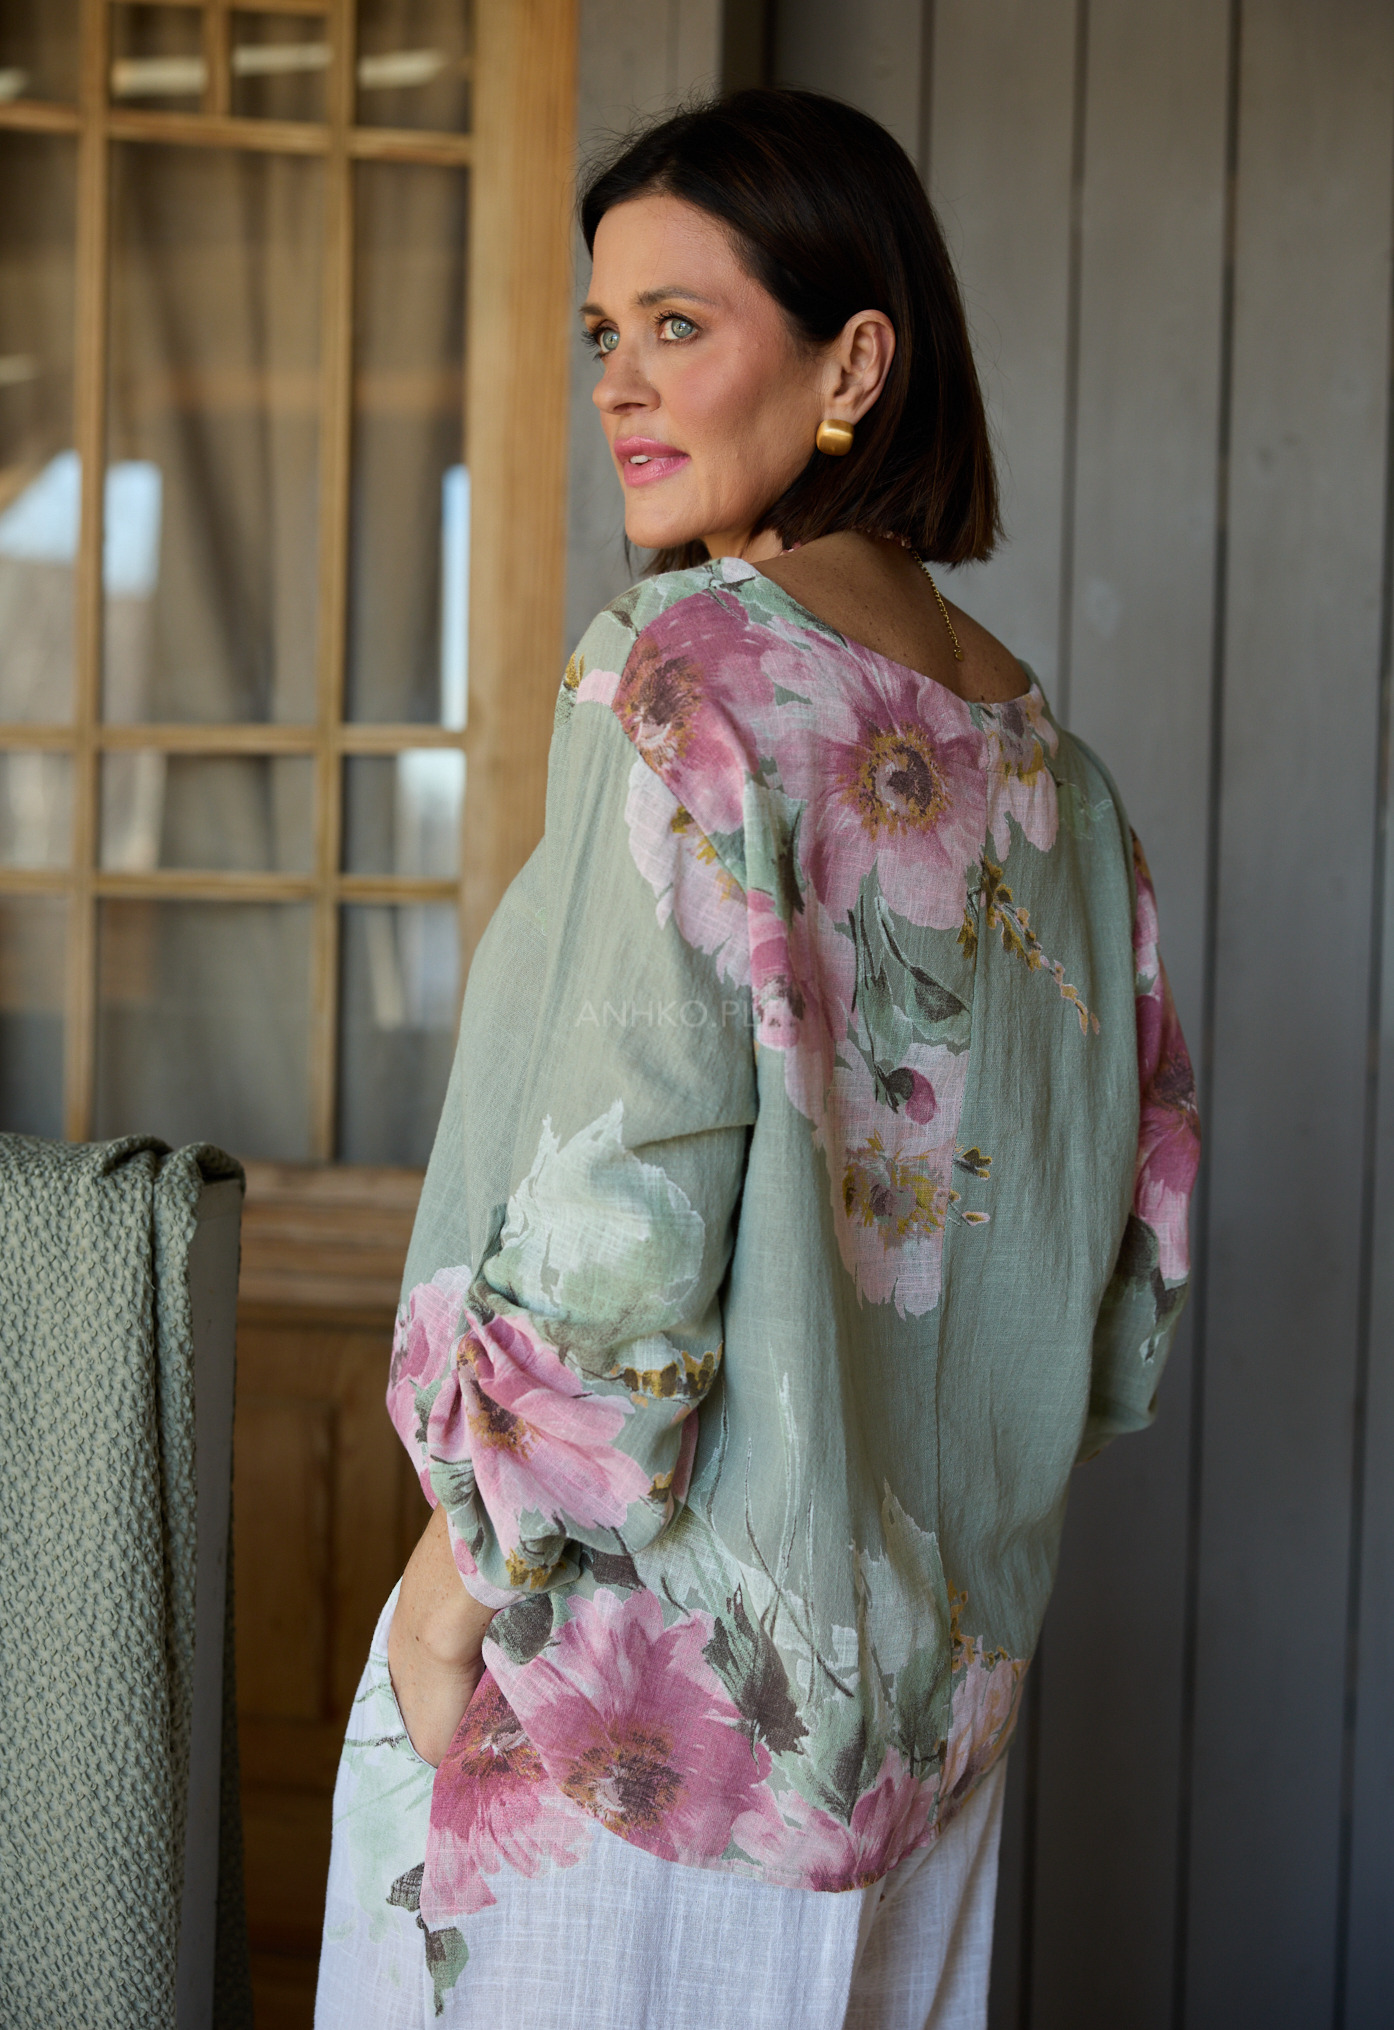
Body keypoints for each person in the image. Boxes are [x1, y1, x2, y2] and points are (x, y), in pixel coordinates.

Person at [314, 89, 1200, 2030]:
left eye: (677, 324)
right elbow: (1121, 1295)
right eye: (600, 331)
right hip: (929, 1723)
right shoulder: (1063, 792)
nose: (618, 383)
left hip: (631, 1697)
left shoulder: (688, 674)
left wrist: (448, 1603)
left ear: (851, 363)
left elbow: (606, 1243)